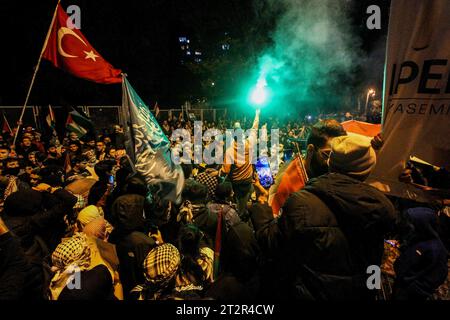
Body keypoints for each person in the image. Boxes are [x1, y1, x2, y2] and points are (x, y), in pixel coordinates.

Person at [251, 135, 398, 300]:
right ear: (368, 170)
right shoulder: (383, 209)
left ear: (330, 162)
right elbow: (375, 264)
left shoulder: (302, 203)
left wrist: (261, 207)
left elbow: (271, 243)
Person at [393, 207, 448, 300]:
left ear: (423, 225)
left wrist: (414, 288)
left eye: (412, 224)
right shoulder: (420, 237)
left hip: (410, 292)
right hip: (402, 284)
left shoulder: (435, 249)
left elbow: (440, 274)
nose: (409, 226)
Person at [221, 109, 260, 219]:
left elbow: (226, 171)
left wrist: (220, 170)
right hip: (248, 180)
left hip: (237, 182)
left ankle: (239, 216)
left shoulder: (230, 151)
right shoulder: (249, 143)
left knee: (239, 200)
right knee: (245, 198)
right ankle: (244, 214)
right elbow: (254, 128)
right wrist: (257, 114)